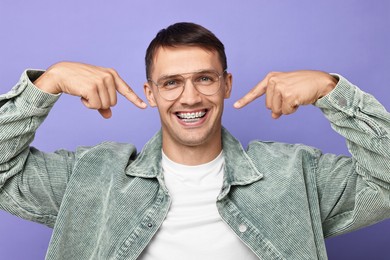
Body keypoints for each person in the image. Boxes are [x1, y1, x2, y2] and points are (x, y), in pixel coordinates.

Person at [0, 22, 389, 260]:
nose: (189, 98)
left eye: (204, 78)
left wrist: (331, 91)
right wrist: (47, 83)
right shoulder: (91, 176)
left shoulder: (295, 174)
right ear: (150, 93)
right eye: (171, 83)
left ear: (226, 85)